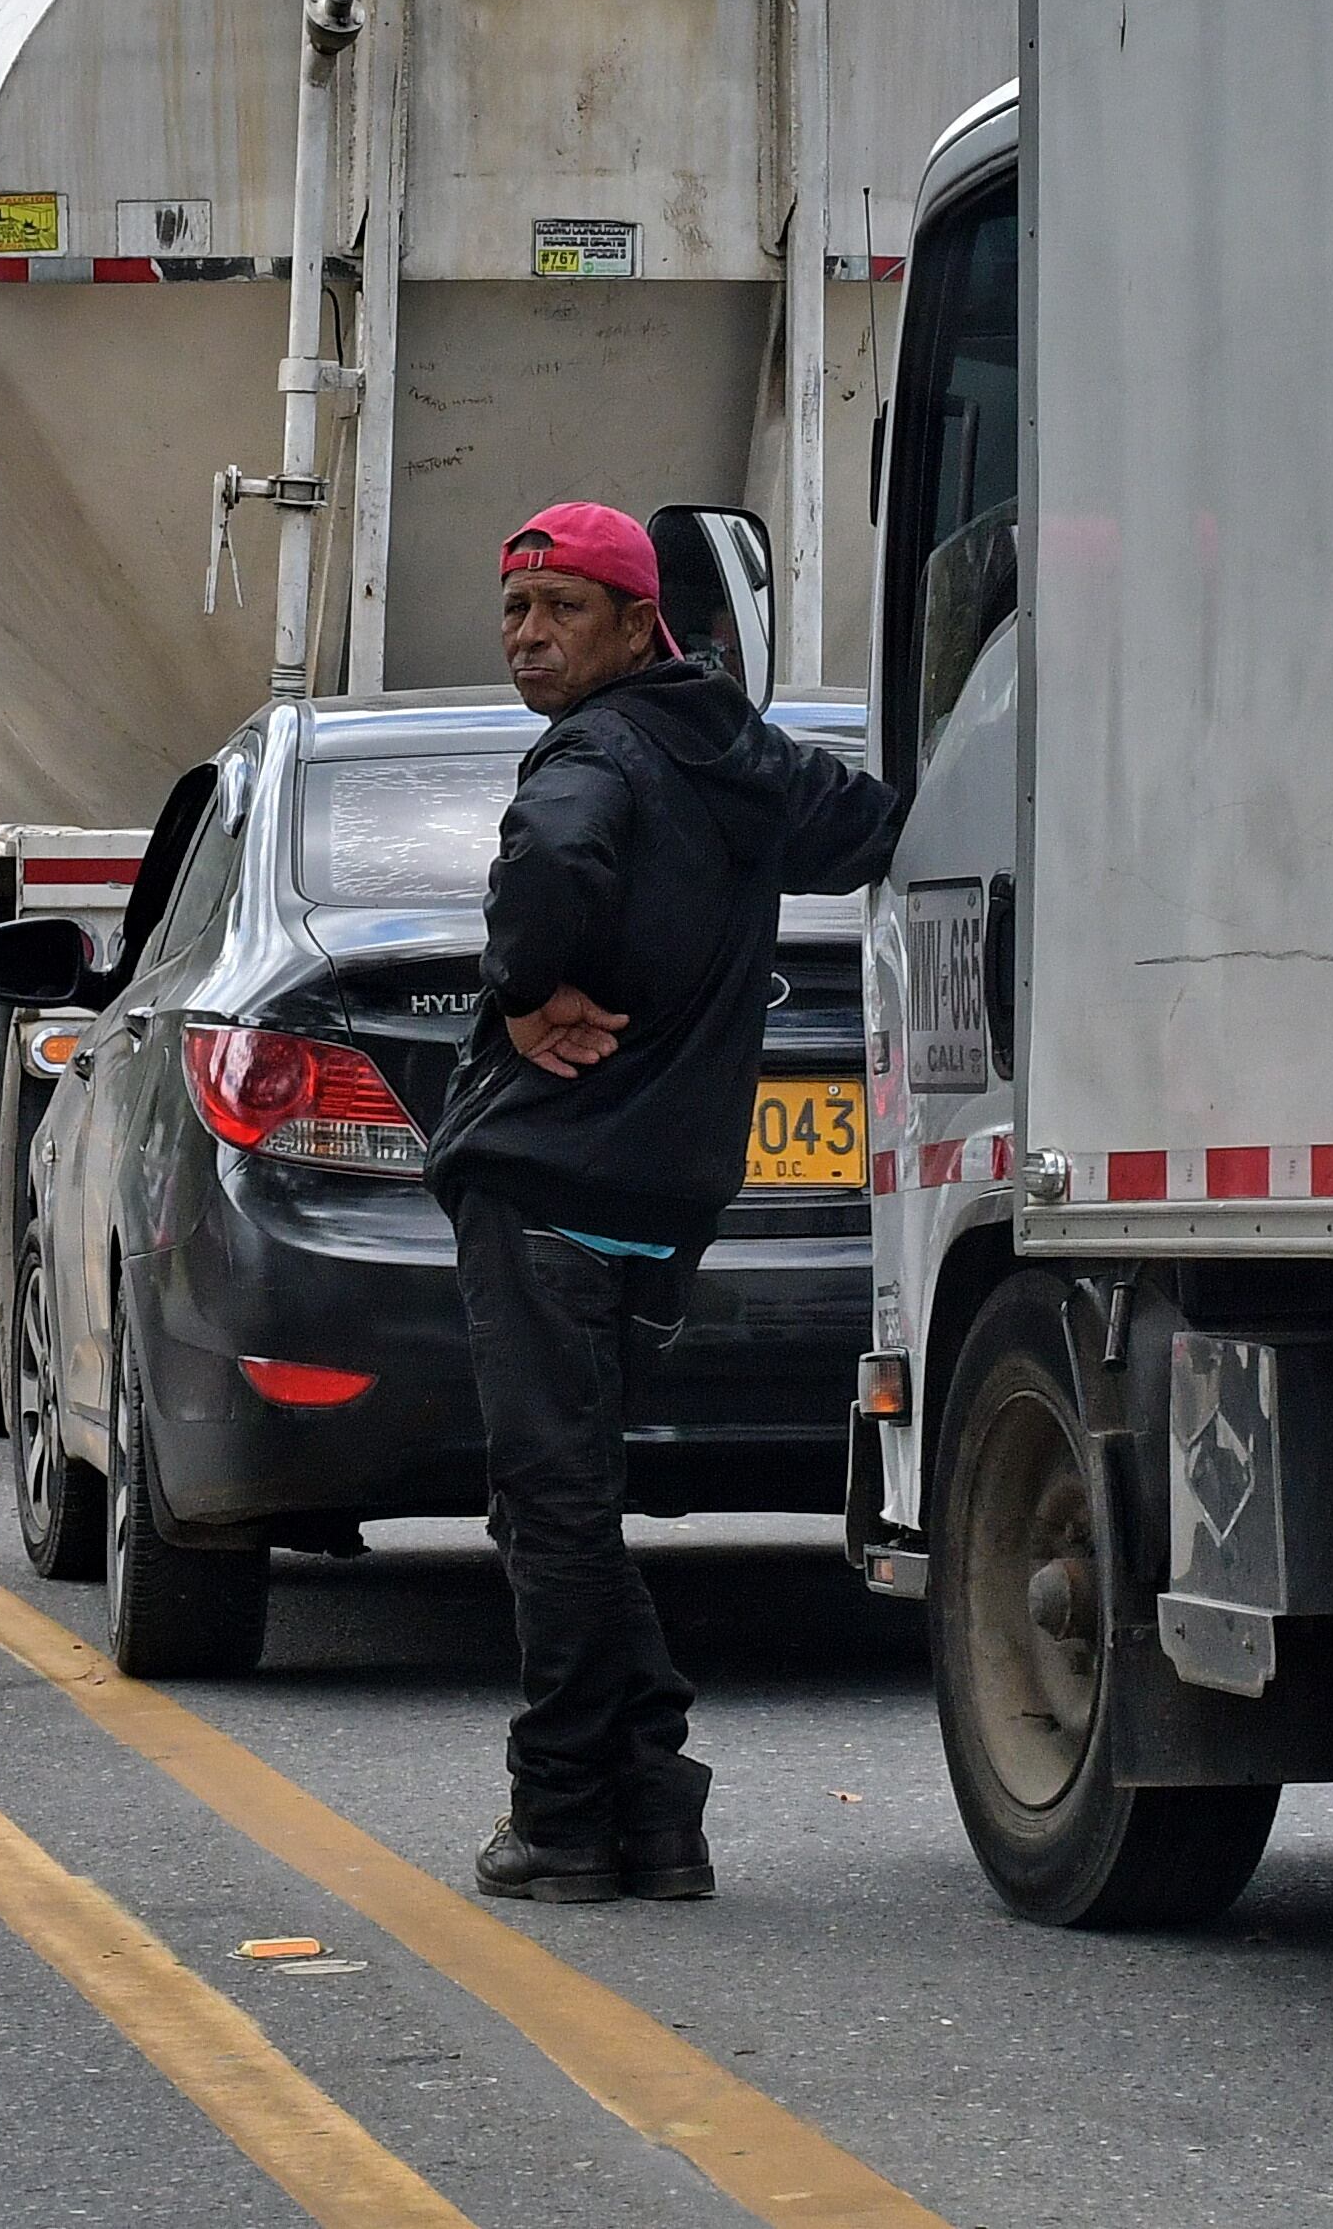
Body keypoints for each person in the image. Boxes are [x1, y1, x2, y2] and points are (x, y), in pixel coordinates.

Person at [428, 500, 899, 1907]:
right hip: (661, 1192)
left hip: (552, 1177)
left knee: (551, 1504)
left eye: (562, 609)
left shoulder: (593, 749)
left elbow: (555, 862)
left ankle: (566, 1808)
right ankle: (654, 1806)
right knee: (562, 1502)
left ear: (640, 624)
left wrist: (523, 987)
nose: (528, 635)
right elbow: (869, 826)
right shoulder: (737, 750)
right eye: (516, 610)